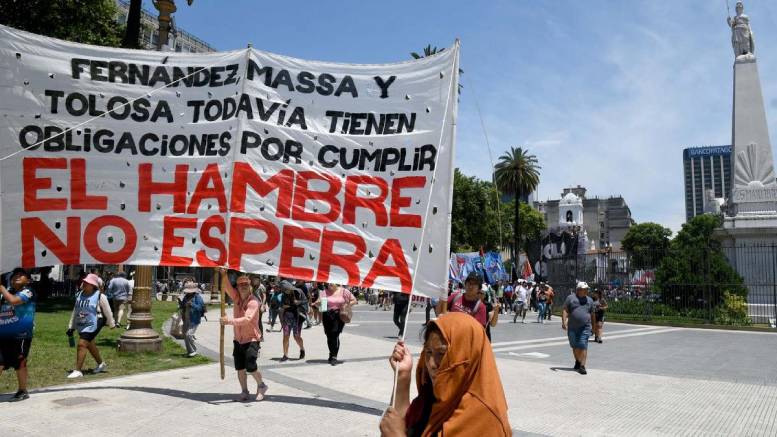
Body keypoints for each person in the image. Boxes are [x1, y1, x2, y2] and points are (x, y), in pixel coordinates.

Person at [379, 313, 511, 436]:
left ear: (467, 356)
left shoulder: (485, 419)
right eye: (428, 352)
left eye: (442, 354)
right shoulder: (433, 396)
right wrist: (403, 377)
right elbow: (404, 424)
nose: (431, 364)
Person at [217, 268, 268, 401]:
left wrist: (229, 321)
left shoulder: (254, 302)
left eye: (246, 285)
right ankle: (244, 391)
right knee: (240, 367)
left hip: (251, 339)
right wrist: (224, 274)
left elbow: (247, 319)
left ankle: (261, 386)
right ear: (238, 287)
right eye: (241, 285)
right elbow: (227, 286)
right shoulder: (236, 298)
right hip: (238, 340)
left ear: (250, 287)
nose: (243, 287)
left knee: (251, 366)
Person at [66, 273, 115, 379]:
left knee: (82, 344)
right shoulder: (79, 295)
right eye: (84, 281)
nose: (84, 283)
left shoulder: (100, 296)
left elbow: (107, 310)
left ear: (93, 285)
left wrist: (111, 323)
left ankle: (78, 370)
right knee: (89, 343)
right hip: (82, 322)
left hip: (96, 321)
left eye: (87, 282)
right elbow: (76, 311)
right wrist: (71, 326)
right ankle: (101, 364)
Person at [0, 268, 36, 401]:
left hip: (20, 334)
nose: (17, 276)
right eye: (15, 275)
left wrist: (1, 287)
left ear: (28, 280)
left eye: (22, 275)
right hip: (3, 334)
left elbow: (14, 301)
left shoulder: (28, 291)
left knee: (19, 361)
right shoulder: (6, 293)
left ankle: (22, 390)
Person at [561, 281, 597, 375]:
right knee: (574, 345)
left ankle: (582, 366)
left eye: (586, 289)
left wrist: (594, 327)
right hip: (572, 327)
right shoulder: (570, 298)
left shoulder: (589, 300)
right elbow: (565, 310)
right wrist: (564, 321)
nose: (586, 291)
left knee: (583, 345)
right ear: (578, 290)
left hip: (585, 327)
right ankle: (578, 361)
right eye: (584, 290)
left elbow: (592, 314)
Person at [321, 283, 357, 365]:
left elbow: (354, 300)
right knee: (329, 336)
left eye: (331, 283)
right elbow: (323, 307)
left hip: (339, 315)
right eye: (328, 283)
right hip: (327, 315)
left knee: (335, 334)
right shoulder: (324, 292)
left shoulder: (344, 291)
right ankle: (331, 352)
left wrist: (345, 305)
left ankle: (334, 356)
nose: (329, 284)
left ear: (336, 283)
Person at [279, 280, 306, 362]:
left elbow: (306, 301)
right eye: (283, 289)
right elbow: (281, 305)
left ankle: (302, 349)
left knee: (296, 336)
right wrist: (283, 306)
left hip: (297, 317)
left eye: (286, 288)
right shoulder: (283, 294)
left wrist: (298, 302)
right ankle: (285, 354)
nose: (285, 290)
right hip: (287, 317)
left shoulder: (298, 291)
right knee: (286, 335)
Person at [179, 279, 206, 357]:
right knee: (185, 335)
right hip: (186, 319)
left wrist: (192, 305)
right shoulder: (186, 297)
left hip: (194, 319)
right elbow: (183, 306)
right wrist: (181, 304)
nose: (187, 292)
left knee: (189, 335)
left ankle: (195, 350)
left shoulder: (198, 297)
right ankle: (189, 351)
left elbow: (200, 308)